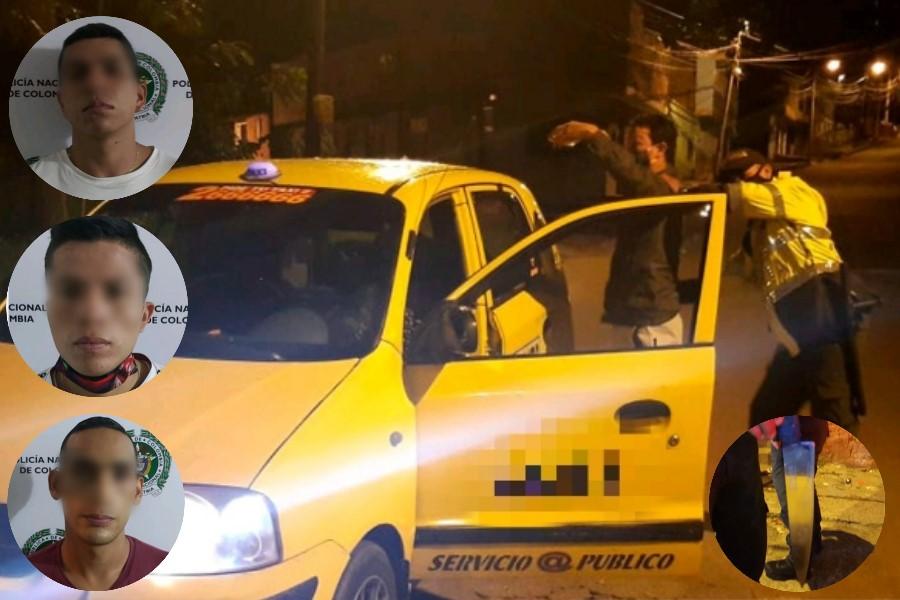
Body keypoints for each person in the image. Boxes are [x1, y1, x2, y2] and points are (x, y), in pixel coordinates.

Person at [719, 149, 859, 433]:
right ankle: (777, 462)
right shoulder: (762, 228)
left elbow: (739, 196)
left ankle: (842, 464)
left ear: (766, 171)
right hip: (794, 331)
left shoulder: (793, 191)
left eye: (740, 176)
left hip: (821, 318)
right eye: (731, 178)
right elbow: (742, 270)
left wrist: (693, 190)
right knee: (767, 414)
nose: (737, 183)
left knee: (833, 413)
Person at [548, 114, 684, 348]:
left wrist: (594, 135)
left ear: (660, 149)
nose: (628, 152)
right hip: (633, 316)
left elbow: (628, 170)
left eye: (635, 145)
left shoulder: (662, 189)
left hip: (650, 320)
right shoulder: (645, 191)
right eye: (626, 145)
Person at [28, 23, 176, 200]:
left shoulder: (178, 175)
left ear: (139, 96)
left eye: (112, 70)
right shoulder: (33, 181)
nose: (94, 84)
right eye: (78, 73)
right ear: (62, 103)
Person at [27, 417, 168, 590]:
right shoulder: (25, 576)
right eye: (83, 472)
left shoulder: (167, 570)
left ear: (137, 491)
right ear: (56, 484)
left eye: (120, 474)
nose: (102, 494)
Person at [39, 216, 159, 396]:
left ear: (144, 316)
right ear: (49, 312)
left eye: (116, 291)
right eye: (70, 291)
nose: (93, 314)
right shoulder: (11, 396)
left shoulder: (190, 393)